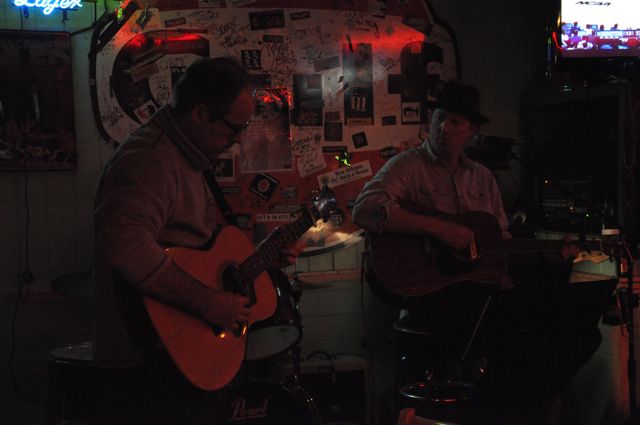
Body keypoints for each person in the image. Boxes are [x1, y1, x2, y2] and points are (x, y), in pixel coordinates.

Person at [352, 81, 598, 424]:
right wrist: (440, 229)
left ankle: (501, 413)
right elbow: (364, 209)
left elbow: (500, 244)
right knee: (526, 332)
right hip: (433, 301)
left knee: (580, 334)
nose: (444, 128)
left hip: (482, 299)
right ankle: (491, 414)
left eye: (455, 122)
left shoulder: (483, 178)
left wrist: (545, 255)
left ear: (472, 130)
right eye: (439, 118)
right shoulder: (408, 166)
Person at [92, 57, 304, 425]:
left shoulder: (186, 157)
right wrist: (205, 301)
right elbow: (124, 245)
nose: (238, 140)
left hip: (179, 360)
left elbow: (197, 255)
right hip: (148, 365)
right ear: (201, 114)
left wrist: (262, 258)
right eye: (234, 128)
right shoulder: (150, 160)